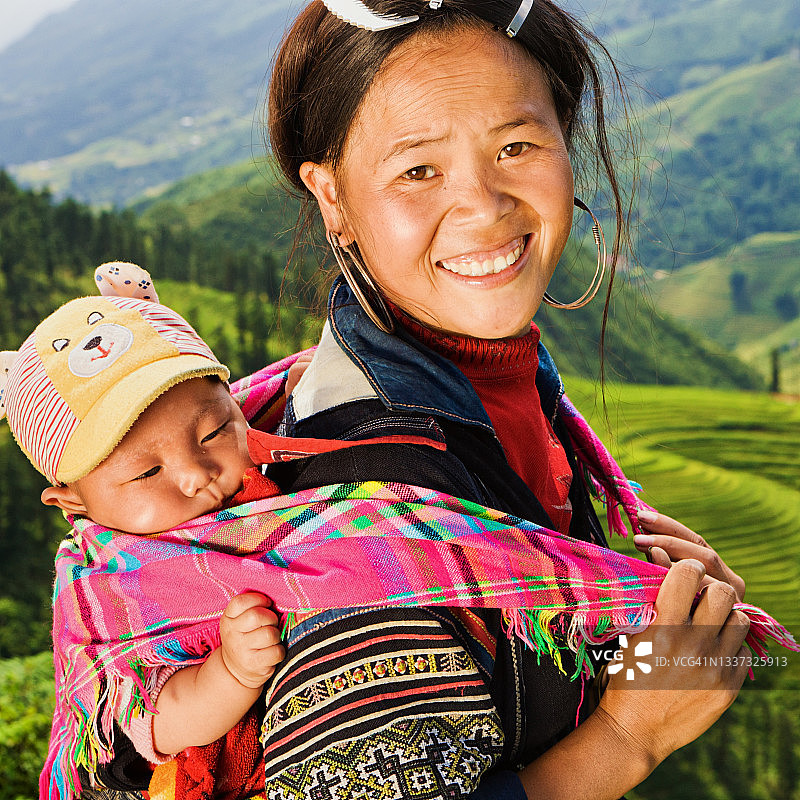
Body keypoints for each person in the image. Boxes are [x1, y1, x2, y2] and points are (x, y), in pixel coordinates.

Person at [259, 0, 751, 797]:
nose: (484, 207)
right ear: (334, 200)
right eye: (418, 170)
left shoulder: (507, 394)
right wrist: (630, 734)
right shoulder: (360, 519)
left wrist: (673, 637)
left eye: (517, 145)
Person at [1, 265, 285, 775]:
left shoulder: (275, 444)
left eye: (215, 430)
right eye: (148, 471)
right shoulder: (108, 590)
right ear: (74, 503)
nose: (197, 476)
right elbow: (148, 723)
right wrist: (231, 672)